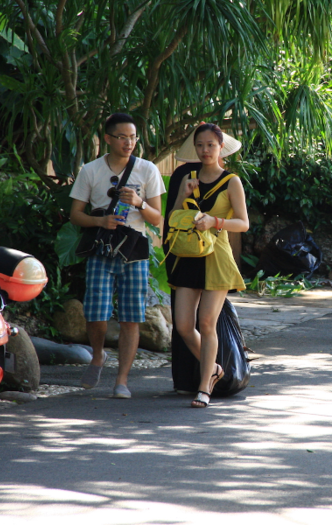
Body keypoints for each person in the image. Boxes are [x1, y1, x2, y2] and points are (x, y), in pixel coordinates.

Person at [70, 113, 165, 399]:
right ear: (108, 138)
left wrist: (139, 203)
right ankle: (98, 356)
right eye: (122, 137)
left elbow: (157, 218)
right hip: (101, 248)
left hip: (134, 252)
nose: (129, 142)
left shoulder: (147, 170)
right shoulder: (91, 170)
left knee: (131, 318)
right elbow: (75, 215)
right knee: (95, 313)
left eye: (133, 137)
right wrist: (100, 222)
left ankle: (121, 380)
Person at [167, 123, 249, 408]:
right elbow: (174, 217)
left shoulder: (231, 181)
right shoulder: (188, 177)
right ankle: (213, 368)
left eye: (210, 145)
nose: (205, 150)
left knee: (206, 322)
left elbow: (244, 223)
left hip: (217, 257)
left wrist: (215, 221)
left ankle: (204, 387)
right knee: (183, 326)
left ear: (220, 147)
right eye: (200, 145)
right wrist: (182, 194)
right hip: (189, 255)